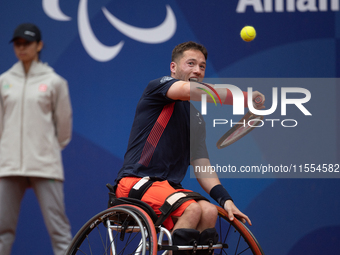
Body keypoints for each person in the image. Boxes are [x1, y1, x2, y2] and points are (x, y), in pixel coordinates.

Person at [113, 41, 265, 250]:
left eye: (202, 66)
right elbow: (189, 90)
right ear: (173, 68)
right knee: (191, 210)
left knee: (210, 211)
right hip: (135, 183)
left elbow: (202, 166)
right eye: (191, 63)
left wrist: (225, 200)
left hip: (169, 190)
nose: (197, 70)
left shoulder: (196, 118)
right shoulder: (158, 88)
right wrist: (245, 98)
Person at [0, 23, 72, 255]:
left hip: (45, 165)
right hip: (9, 165)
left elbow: (64, 126)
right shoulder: (4, 81)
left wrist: (47, 148)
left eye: (27, 43)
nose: (22, 48)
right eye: (18, 44)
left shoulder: (55, 82)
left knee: (59, 230)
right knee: (2, 229)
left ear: (39, 45)